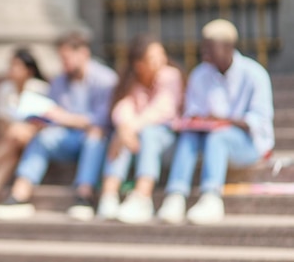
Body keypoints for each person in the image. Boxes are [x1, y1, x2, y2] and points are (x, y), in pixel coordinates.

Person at [157, 19, 274, 225]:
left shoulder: (254, 74)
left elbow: (259, 120)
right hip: (206, 140)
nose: (204, 51)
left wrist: (224, 121)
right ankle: (175, 195)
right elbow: (192, 112)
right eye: (204, 45)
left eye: (210, 46)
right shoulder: (200, 74)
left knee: (219, 135)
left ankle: (211, 197)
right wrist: (197, 121)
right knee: (189, 135)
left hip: (248, 145)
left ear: (228, 47)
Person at [0, 30, 118, 221]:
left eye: (66, 58)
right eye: (61, 58)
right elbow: (51, 110)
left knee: (95, 135)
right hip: (66, 137)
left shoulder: (106, 79)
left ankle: (84, 195)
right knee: (42, 138)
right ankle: (20, 194)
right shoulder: (60, 80)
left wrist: (65, 118)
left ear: (83, 53)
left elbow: (103, 119)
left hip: (99, 140)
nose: (64, 63)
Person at [96, 34, 184, 224]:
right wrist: (124, 129)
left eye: (162, 55)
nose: (160, 61)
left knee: (147, 132)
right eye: (153, 58)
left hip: (166, 142)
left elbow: (162, 110)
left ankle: (142, 196)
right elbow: (122, 108)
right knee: (120, 135)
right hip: (135, 143)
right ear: (139, 64)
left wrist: (128, 129)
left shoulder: (170, 76)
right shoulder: (131, 82)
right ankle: (109, 195)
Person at [0, 48, 49, 210]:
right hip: (11, 142)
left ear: (28, 70)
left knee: (16, 134)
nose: (11, 69)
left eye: (16, 65)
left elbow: (40, 123)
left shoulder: (41, 89)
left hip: (35, 139)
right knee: (12, 154)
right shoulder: (4, 89)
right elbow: (4, 125)